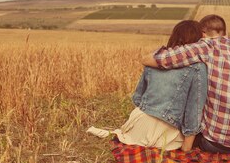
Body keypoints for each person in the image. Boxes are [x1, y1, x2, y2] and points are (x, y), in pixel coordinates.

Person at [142, 14, 230, 153]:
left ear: (203, 34)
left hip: (217, 143)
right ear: (226, 33)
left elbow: (155, 59)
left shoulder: (205, 47)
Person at [87, 20, 207, 152]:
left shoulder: (156, 59)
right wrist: (187, 147)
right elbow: (194, 111)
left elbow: (138, 98)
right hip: (160, 133)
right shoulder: (197, 68)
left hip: (136, 123)